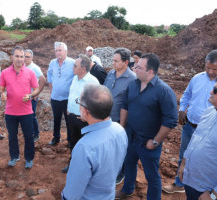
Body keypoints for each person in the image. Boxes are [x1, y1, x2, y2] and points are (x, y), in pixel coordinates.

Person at [162, 49, 217, 194]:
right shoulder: (197, 78)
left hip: (213, 131)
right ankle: (180, 184)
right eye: (207, 67)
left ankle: (209, 192)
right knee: (185, 155)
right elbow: (187, 95)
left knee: (208, 161)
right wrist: (182, 109)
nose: (210, 72)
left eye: (214, 69)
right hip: (190, 126)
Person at [116, 53, 178, 200]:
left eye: (138, 67)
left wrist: (155, 141)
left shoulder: (164, 91)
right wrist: (121, 128)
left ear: (150, 71)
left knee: (152, 175)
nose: (134, 68)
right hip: (131, 137)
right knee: (129, 164)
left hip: (148, 142)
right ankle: (127, 190)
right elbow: (125, 106)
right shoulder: (133, 84)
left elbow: (171, 120)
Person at [62, 84, 128, 200]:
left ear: (85, 111)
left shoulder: (84, 147)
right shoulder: (120, 130)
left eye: (79, 102)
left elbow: (71, 195)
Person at [178, 74, 217, 200]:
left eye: (215, 90)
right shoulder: (210, 112)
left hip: (209, 191)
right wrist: (184, 163)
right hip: (191, 182)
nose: (211, 92)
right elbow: (195, 140)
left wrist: (216, 195)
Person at [0, 46, 39, 169]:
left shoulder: (30, 72)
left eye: (22, 56)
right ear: (12, 57)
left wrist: (31, 95)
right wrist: (2, 94)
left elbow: (36, 89)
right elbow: (0, 89)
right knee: (12, 136)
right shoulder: (4, 73)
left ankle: (29, 158)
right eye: (17, 56)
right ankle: (14, 156)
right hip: (10, 112)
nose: (20, 59)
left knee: (28, 136)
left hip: (26, 111)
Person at [104, 47, 136, 185]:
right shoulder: (111, 73)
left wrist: (123, 124)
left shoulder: (132, 79)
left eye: (116, 61)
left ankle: (121, 171)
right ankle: (109, 167)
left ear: (126, 62)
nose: (113, 63)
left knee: (121, 147)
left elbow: (131, 103)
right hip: (106, 117)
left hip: (120, 120)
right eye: (113, 60)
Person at [62, 54, 99, 173]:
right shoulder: (75, 78)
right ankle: (73, 164)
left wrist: (88, 116)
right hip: (72, 117)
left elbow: (96, 102)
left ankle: (85, 169)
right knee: (73, 142)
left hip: (84, 121)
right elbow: (72, 94)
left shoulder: (92, 82)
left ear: (83, 69)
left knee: (85, 146)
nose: (72, 67)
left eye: (75, 66)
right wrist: (69, 108)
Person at [47, 42, 75, 146]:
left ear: (66, 51)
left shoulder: (72, 63)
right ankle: (56, 137)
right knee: (56, 119)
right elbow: (49, 75)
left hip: (67, 99)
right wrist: (51, 91)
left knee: (69, 120)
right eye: (56, 50)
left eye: (60, 50)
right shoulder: (52, 63)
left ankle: (69, 139)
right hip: (55, 98)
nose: (58, 52)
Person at [24, 49, 46, 143]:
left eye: (28, 56)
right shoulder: (22, 66)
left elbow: (43, 80)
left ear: (32, 58)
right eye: (24, 56)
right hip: (24, 96)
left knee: (32, 115)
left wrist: (37, 93)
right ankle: (29, 133)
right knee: (25, 115)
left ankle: (36, 134)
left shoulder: (35, 68)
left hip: (32, 96)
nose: (25, 58)